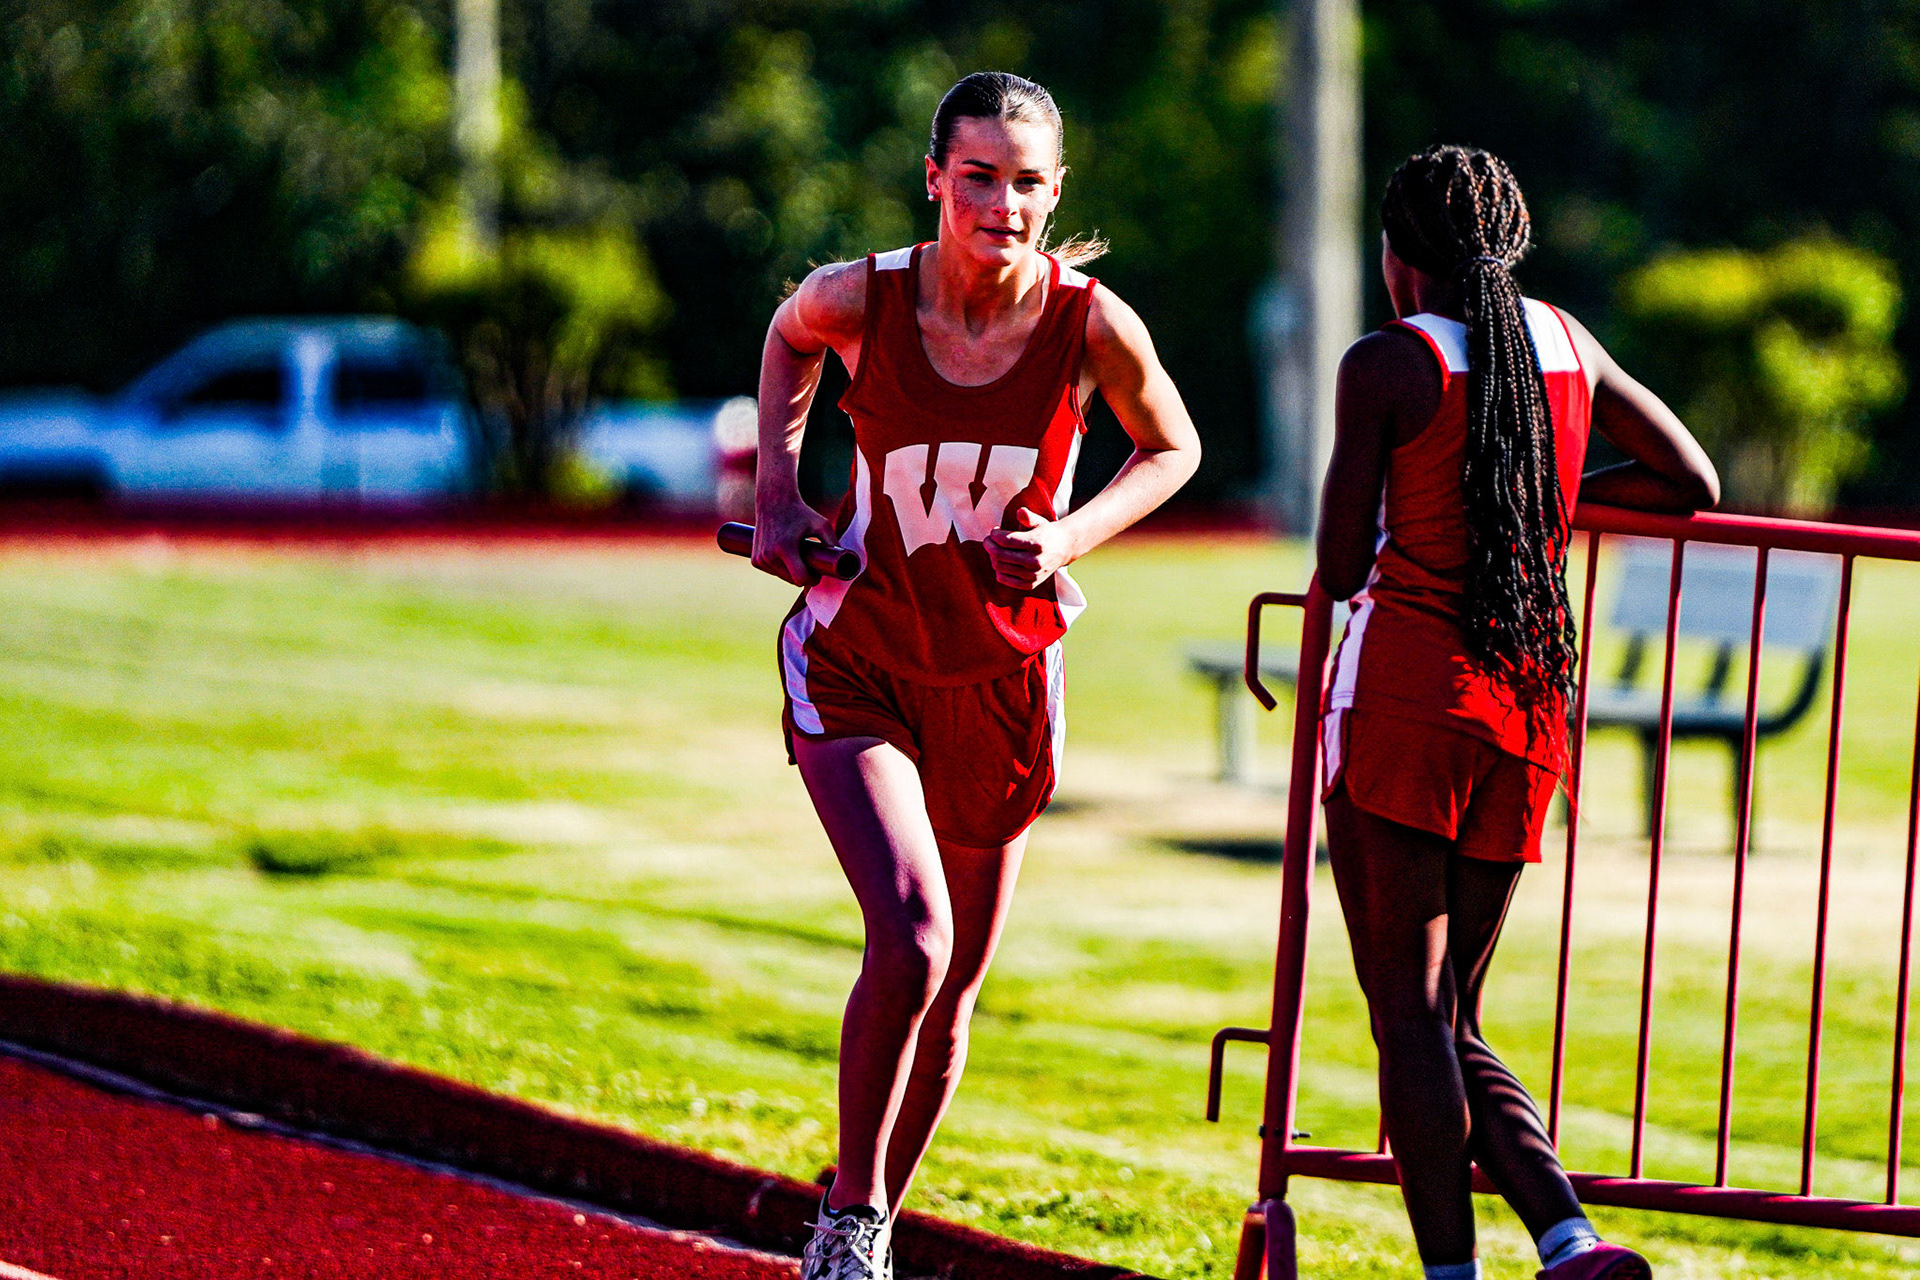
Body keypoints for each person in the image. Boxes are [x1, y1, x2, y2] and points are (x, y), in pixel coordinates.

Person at [749, 71, 1201, 1280]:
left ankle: (868, 1224)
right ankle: (849, 1227)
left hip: (1002, 675)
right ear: (935, 178)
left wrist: (1067, 539)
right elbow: (790, 336)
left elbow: (1174, 446)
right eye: (980, 177)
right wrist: (779, 491)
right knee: (911, 936)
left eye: (1027, 183)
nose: (1003, 204)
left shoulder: (1090, 323)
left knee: (952, 988)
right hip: (858, 656)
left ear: (1055, 195)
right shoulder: (865, 296)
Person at [1316, 145, 1720, 1280]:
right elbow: (1692, 480)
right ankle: (1569, 1239)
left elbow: (1341, 563)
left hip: (1406, 696)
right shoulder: (1568, 343)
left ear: (1398, 260)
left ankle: (1454, 1272)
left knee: (1410, 1016)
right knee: (1452, 1013)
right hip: (1528, 703)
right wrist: (1529, 501)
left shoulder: (1388, 361)